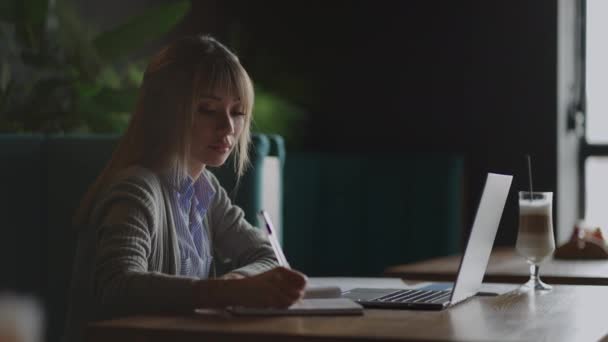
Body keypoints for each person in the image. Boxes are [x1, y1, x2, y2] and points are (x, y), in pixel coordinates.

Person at [64, 35, 307, 342]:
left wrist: (236, 283)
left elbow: (267, 255)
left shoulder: (205, 189)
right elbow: (117, 287)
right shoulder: (137, 189)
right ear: (166, 111)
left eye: (237, 111)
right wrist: (222, 292)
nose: (228, 128)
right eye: (208, 109)